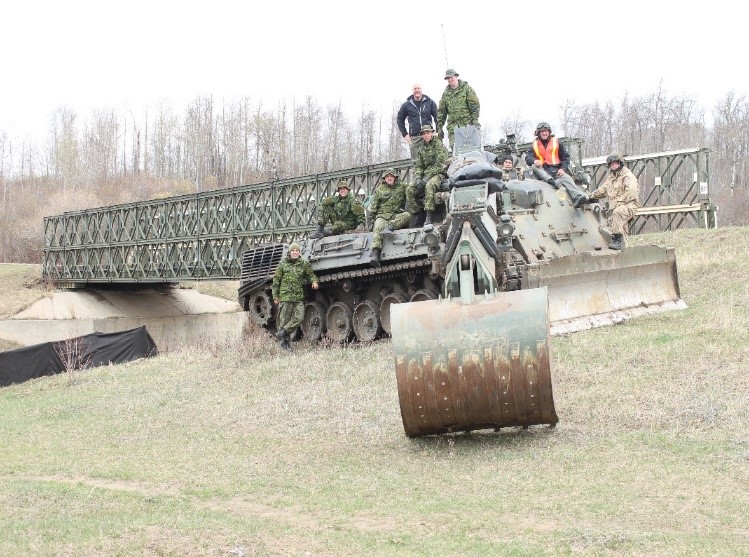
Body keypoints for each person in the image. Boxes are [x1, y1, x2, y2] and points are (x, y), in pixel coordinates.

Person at [576, 154, 640, 250]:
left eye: (616, 164)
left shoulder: (628, 176)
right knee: (620, 228)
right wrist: (589, 197)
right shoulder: (612, 178)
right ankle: (623, 248)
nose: (614, 166)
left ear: (620, 164)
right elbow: (603, 190)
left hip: (628, 205)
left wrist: (618, 202)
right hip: (616, 208)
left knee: (617, 213)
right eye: (612, 164)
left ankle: (617, 241)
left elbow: (631, 192)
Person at [524, 122, 588, 207]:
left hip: (556, 170)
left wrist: (563, 169)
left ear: (549, 132)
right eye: (542, 131)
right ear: (538, 133)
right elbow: (528, 158)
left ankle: (577, 197)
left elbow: (566, 157)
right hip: (542, 171)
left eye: (546, 131)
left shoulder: (557, 142)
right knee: (533, 166)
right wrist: (534, 160)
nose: (544, 133)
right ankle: (551, 181)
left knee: (567, 178)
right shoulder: (534, 145)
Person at [271, 242, 319, 349]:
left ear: (299, 252)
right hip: (285, 297)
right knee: (285, 320)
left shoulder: (303, 264)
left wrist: (314, 281)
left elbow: (311, 275)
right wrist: (275, 296)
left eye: (297, 251)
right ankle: (285, 344)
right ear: (289, 252)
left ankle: (282, 333)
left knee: (299, 317)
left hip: (298, 297)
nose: (295, 252)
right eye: (293, 251)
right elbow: (276, 281)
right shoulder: (283, 264)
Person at [368, 168, 411, 267]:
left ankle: (390, 228)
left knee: (407, 216)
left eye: (391, 176)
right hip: (382, 216)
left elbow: (411, 192)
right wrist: (372, 221)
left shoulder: (402, 186)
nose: (389, 178)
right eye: (387, 176)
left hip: (395, 215)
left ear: (395, 177)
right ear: (385, 178)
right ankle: (376, 253)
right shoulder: (380, 189)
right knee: (378, 227)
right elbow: (374, 206)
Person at [407, 124, 448, 226]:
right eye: (424, 134)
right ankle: (417, 215)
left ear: (432, 133)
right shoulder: (421, 149)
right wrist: (418, 179)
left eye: (428, 133)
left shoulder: (438, 144)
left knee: (429, 186)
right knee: (410, 189)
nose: (426, 135)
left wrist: (427, 177)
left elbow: (440, 164)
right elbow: (418, 166)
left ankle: (428, 216)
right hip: (424, 175)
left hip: (438, 174)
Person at [436, 68, 480, 149]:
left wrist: (475, 121)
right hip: (454, 129)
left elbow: (475, 105)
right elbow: (441, 112)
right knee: (456, 151)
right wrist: (439, 127)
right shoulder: (445, 94)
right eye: (448, 78)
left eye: (451, 77)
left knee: (472, 150)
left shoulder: (466, 89)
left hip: (468, 126)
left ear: (456, 76)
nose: (450, 79)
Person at [396, 83, 438, 159]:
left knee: (432, 160)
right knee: (417, 163)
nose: (417, 90)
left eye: (418, 88)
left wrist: (437, 131)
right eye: (415, 89)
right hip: (415, 138)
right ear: (412, 91)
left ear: (421, 90)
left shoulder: (430, 102)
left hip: (429, 135)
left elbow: (438, 117)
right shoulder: (407, 105)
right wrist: (405, 134)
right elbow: (400, 119)